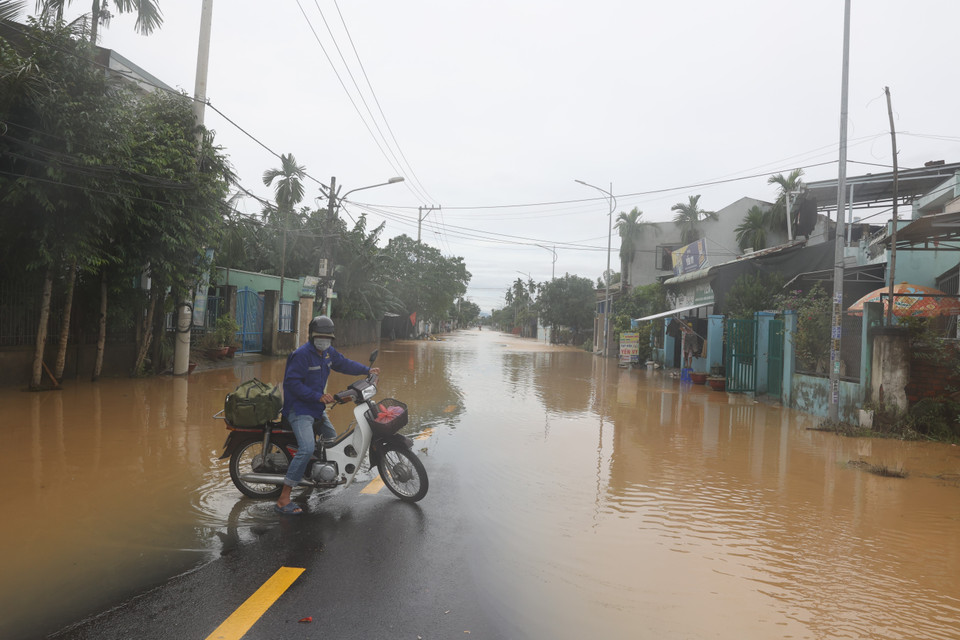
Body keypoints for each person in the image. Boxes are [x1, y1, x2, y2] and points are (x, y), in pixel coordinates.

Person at [275, 315, 379, 515]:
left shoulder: (328, 353)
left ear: (331, 338)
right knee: (306, 448)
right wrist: (318, 396)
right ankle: (283, 497)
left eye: (328, 338)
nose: (324, 340)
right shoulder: (301, 354)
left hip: (316, 408)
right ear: (312, 336)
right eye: (320, 337)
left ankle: (316, 475)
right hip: (300, 409)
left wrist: (367, 370)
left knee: (332, 440)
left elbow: (344, 364)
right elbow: (291, 384)